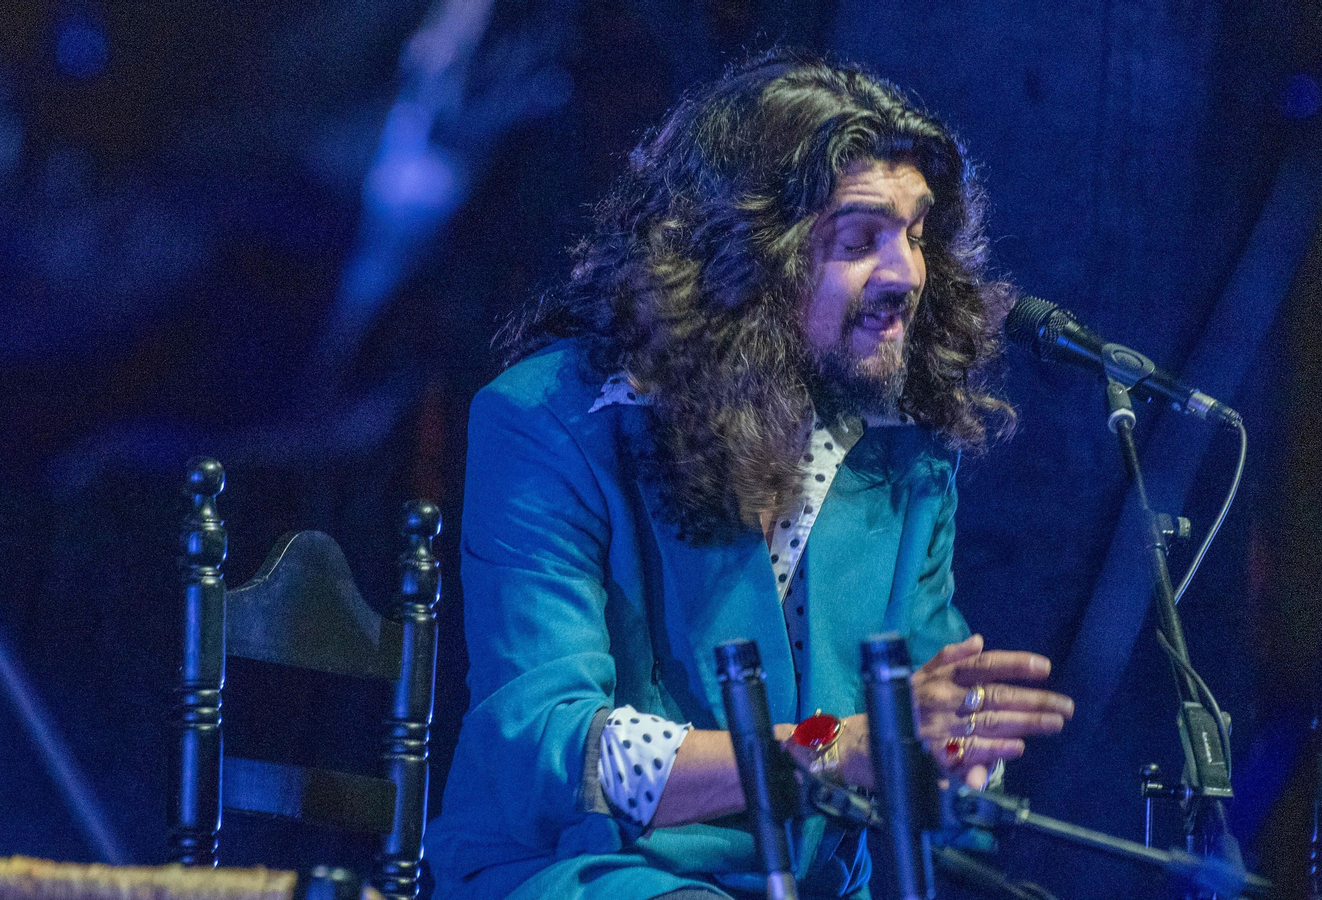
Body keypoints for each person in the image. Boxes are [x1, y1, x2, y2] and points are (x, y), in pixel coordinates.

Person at [426, 53, 1076, 900]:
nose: (907, 273)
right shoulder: (548, 420)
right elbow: (553, 748)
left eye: (916, 234)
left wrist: (952, 760)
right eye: (862, 238)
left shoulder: (900, 453)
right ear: (747, 252)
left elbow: (918, 738)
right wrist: (838, 744)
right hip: (581, 874)